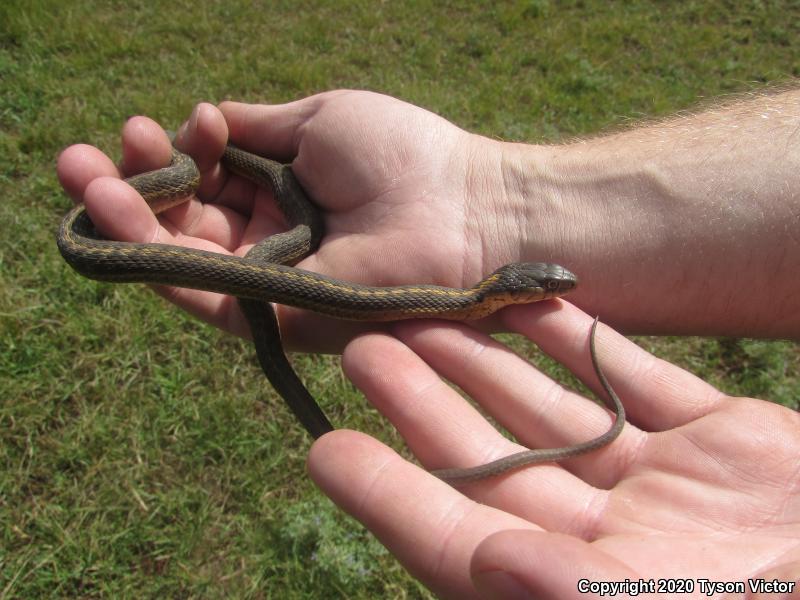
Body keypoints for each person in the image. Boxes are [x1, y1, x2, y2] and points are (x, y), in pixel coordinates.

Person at [58, 90, 800, 597]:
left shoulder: (474, 297)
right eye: (542, 287)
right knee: (217, 241)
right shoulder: (472, 295)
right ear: (511, 288)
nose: (554, 292)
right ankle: (187, 190)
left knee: (259, 271)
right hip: (243, 219)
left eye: (546, 291)